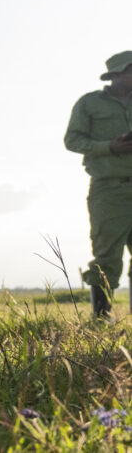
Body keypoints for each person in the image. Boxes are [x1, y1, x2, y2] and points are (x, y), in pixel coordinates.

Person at [64, 51, 132, 319]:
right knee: (106, 257)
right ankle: (102, 319)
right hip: (108, 190)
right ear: (116, 75)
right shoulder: (89, 104)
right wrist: (109, 147)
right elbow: (72, 140)